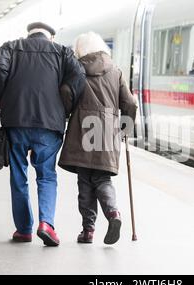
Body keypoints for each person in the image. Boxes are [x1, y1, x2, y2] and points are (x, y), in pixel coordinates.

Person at [0, 22, 86, 246]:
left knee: (18, 175)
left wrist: (4, 97)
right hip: (50, 123)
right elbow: (79, 76)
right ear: (50, 36)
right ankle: (47, 224)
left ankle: (24, 229)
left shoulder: (11, 47)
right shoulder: (62, 51)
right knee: (46, 175)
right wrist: (66, 103)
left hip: (16, 121)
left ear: (29, 34)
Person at [58, 32, 138, 245]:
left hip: (82, 131)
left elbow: (66, 92)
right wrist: (124, 128)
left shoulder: (77, 70)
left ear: (80, 50)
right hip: (107, 132)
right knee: (103, 179)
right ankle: (113, 214)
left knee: (85, 181)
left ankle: (88, 231)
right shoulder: (116, 71)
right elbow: (130, 103)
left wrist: (67, 112)